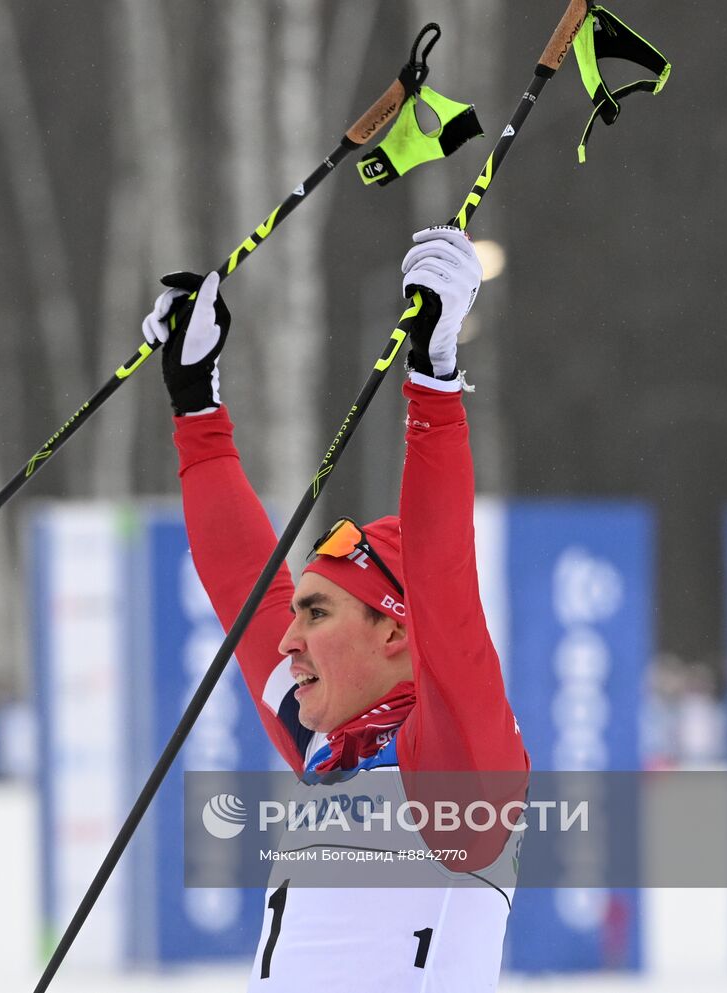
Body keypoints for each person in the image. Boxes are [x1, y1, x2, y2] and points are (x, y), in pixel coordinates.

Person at [142, 226, 529, 990]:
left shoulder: (455, 763)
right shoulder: (333, 749)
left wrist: (435, 382)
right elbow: (243, 587)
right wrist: (196, 403)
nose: (287, 637)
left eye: (317, 612)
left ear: (393, 628)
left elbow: (444, 581)